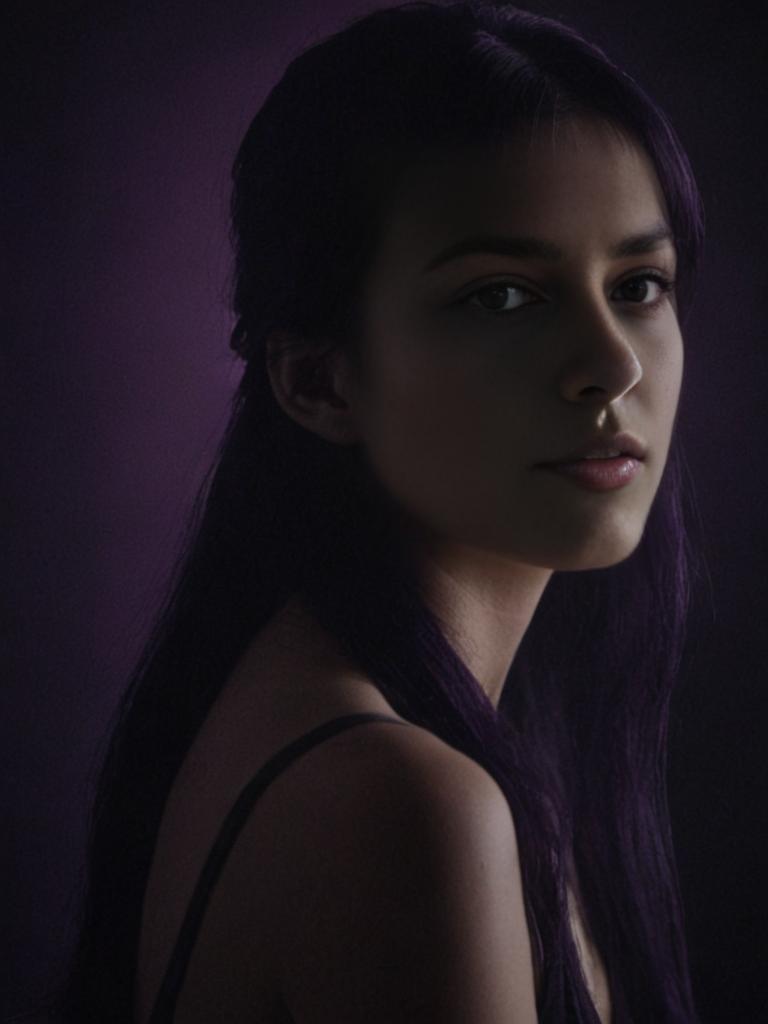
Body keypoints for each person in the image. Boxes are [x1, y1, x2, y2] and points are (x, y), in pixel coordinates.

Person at [53, 1, 707, 1021]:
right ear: (319, 380)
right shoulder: (400, 801)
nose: (614, 362)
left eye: (639, 283)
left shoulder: (378, 719)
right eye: (503, 295)